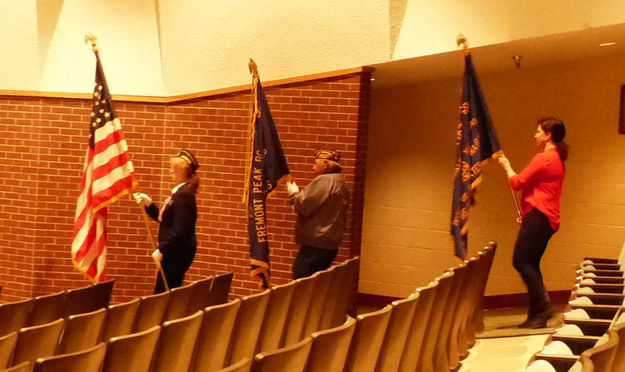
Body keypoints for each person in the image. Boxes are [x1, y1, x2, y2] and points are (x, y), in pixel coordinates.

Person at [498, 117, 568, 328]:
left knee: (521, 261)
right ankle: (536, 316)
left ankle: (544, 308)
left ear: (548, 135)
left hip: (540, 216)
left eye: (538, 131)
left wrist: (506, 165)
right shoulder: (557, 158)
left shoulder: (545, 158)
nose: (535, 135)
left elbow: (517, 182)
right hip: (542, 217)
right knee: (531, 263)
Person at [134, 149, 200, 293]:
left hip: (176, 254)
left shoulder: (184, 194)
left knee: (163, 294)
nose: (170, 172)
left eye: (173, 169)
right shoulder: (180, 193)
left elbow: (181, 230)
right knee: (164, 291)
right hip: (174, 252)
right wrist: (149, 205)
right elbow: (167, 221)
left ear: (182, 172)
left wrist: (162, 248)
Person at [286, 150, 350, 279]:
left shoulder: (325, 181)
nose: (313, 167)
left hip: (316, 243)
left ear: (325, 164)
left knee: (301, 283)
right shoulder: (340, 180)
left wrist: (294, 194)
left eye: (316, 163)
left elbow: (304, 205)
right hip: (330, 242)